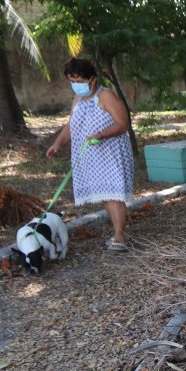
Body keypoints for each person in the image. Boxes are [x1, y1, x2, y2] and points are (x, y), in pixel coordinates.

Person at [46, 58, 134, 252]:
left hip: (110, 154)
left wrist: (101, 135)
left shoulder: (106, 96)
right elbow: (71, 124)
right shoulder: (78, 99)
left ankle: (120, 237)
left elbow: (122, 124)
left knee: (114, 195)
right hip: (91, 157)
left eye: (79, 81)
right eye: (72, 81)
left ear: (92, 80)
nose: (75, 85)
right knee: (105, 194)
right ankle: (117, 233)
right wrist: (57, 144)